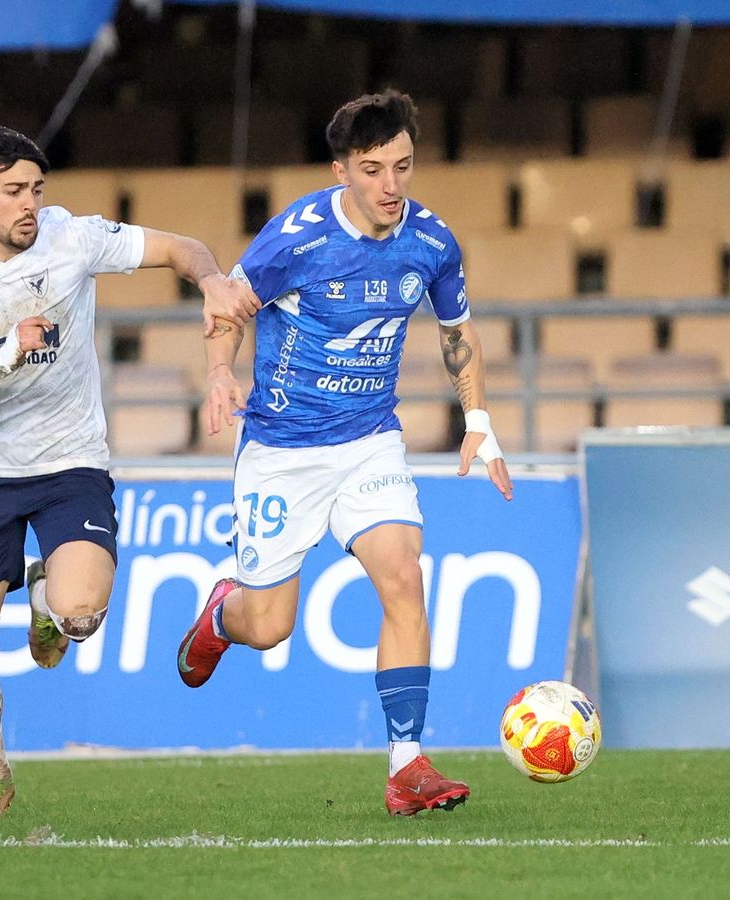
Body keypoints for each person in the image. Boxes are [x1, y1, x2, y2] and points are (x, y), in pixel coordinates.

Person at [176, 91, 514, 816]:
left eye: (403, 166)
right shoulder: (295, 239)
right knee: (269, 627)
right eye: (372, 169)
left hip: (369, 442)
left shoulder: (432, 241)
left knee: (404, 577)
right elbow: (227, 308)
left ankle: (407, 766)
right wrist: (219, 373)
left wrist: (479, 419)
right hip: (283, 449)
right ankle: (221, 615)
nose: (391, 185)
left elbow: (458, 330)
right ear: (341, 171)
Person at [0, 124, 257, 821]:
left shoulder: (73, 237)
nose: (29, 204)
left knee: (79, 617)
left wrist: (211, 280)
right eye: (13, 191)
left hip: (70, 465)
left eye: (36, 189)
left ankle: (47, 597)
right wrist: (4, 356)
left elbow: (182, 247)